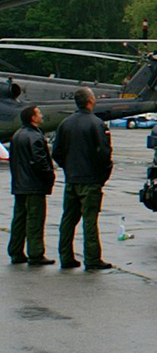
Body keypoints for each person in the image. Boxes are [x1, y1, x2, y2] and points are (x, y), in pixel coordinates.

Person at [52, 87, 113, 271]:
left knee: (68, 219)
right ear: (90, 101)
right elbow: (104, 153)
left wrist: (68, 168)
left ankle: (65, 255)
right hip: (90, 179)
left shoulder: (65, 124)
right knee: (89, 220)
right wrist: (102, 175)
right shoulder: (97, 124)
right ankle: (92, 258)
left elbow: (57, 152)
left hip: (72, 179)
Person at [8, 105, 56, 266]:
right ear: (33, 118)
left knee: (19, 219)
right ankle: (35, 253)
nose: (42, 116)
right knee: (35, 220)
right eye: (39, 114)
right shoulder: (35, 136)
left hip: (20, 184)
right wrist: (49, 176)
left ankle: (15, 251)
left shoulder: (17, 135)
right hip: (34, 185)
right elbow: (40, 161)